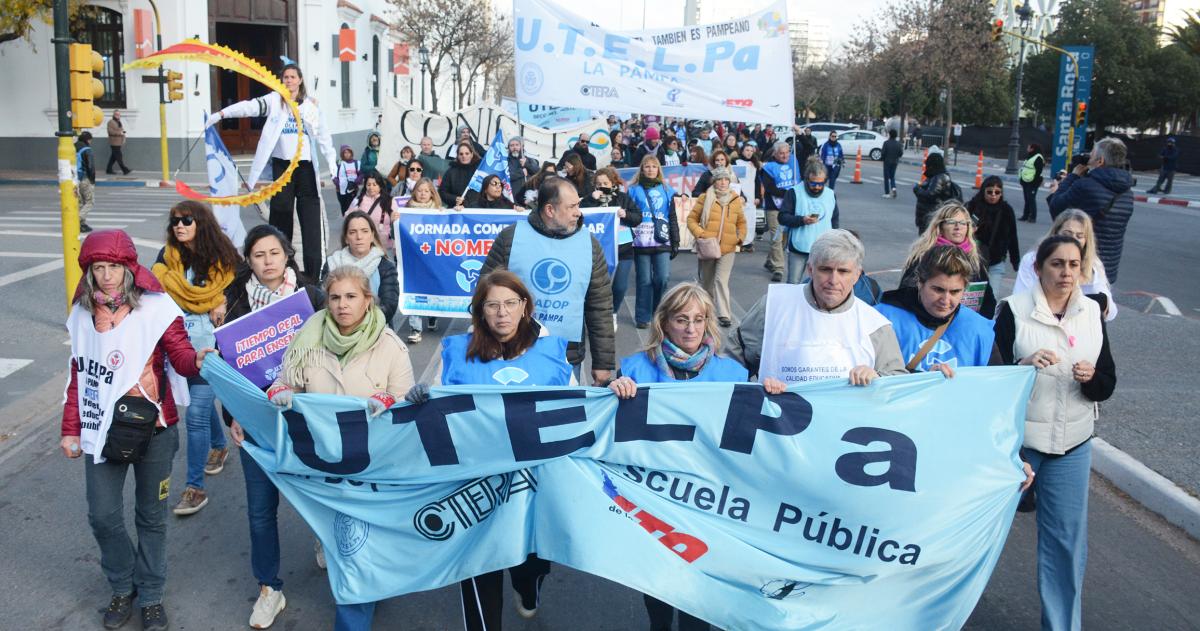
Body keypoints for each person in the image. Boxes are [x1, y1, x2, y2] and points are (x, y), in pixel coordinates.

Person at [63, 229, 211, 631]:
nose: (107, 275)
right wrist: (70, 429)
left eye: (114, 266)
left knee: (152, 517)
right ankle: (122, 583)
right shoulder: (81, 314)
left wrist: (197, 358)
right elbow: (80, 376)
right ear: (89, 271)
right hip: (102, 429)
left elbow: (180, 355)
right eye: (99, 267)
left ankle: (150, 595)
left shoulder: (156, 310)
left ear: (129, 268)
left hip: (154, 431)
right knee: (102, 515)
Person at [406, 270, 572, 630]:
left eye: (510, 303)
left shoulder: (551, 353)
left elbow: (580, 410)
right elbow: (434, 404)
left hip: (533, 489)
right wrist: (419, 399)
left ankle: (529, 587)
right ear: (480, 311)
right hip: (476, 489)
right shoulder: (456, 354)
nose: (502, 313)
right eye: (492, 305)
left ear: (524, 306)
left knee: (530, 565)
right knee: (479, 568)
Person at [266, 265, 414, 631]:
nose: (342, 305)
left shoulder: (390, 345)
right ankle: (365, 591)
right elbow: (287, 382)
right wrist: (283, 393)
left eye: (351, 297)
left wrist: (390, 400)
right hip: (325, 465)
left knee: (359, 552)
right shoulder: (308, 338)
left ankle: (359, 606)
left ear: (368, 300)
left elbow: (408, 401)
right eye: (335, 297)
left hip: (374, 466)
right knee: (350, 550)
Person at [993, 235, 1116, 631]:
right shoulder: (1012, 310)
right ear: (1038, 268)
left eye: (1073, 265)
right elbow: (992, 382)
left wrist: (1092, 378)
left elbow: (1108, 383)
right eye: (1057, 264)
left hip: (1072, 445)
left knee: (1065, 545)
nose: (1066, 273)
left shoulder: (1092, 312)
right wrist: (1024, 364)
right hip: (1018, 446)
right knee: (979, 533)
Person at [608, 282, 748, 631]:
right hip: (654, 493)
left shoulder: (733, 374)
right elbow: (606, 428)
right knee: (658, 576)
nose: (690, 328)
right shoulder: (635, 370)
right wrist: (612, 391)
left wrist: (775, 391)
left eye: (699, 320)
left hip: (708, 494)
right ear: (665, 322)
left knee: (700, 579)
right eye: (681, 319)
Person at [219, 224, 324, 630]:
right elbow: (226, 371)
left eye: (274, 253)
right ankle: (269, 588)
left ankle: (325, 542)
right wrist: (233, 416)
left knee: (316, 498)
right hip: (258, 423)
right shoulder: (233, 304)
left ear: (287, 255)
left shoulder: (311, 297)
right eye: (259, 255)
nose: (267, 261)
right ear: (249, 260)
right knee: (261, 511)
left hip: (308, 418)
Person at [480, 176, 616, 385]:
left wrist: (603, 364)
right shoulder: (510, 239)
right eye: (571, 207)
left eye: (578, 205)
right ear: (550, 210)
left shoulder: (591, 246)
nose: (578, 212)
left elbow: (599, 308)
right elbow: (484, 296)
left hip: (566, 356)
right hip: (512, 353)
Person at [731, 229, 907, 387]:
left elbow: (897, 383)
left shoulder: (875, 325)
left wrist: (877, 377)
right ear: (810, 269)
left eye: (843, 271)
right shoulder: (773, 306)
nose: (833, 280)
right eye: (825, 269)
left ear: (857, 275)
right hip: (777, 420)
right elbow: (733, 359)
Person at [207, 63, 337, 275]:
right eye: (285, 77)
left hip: (305, 168)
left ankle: (315, 274)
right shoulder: (274, 101)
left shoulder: (310, 107)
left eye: (293, 77)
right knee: (280, 218)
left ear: (300, 80)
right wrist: (221, 114)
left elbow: (324, 137)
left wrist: (332, 166)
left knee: (311, 223)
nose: (289, 80)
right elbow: (248, 106)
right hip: (282, 166)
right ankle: (283, 269)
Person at [151, 201, 238, 517]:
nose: (180, 225)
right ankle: (219, 445)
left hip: (212, 348)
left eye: (187, 220)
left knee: (197, 413)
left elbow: (239, 291)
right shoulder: (165, 260)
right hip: (177, 346)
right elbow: (153, 295)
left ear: (201, 223)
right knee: (199, 407)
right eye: (175, 221)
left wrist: (223, 300)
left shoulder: (224, 259)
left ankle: (194, 488)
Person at [876, 245, 998, 374]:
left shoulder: (979, 330)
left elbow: (996, 384)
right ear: (920, 283)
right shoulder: (882, 319)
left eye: (955, 292)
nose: (945, 300)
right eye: (938, 290)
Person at [1046, 138, 1135, 283]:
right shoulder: (1127, 192)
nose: (1088, 158)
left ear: (1100, 161)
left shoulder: (1086, 186)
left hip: (1082, 267)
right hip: (1108, 269)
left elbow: (1056, 209)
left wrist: (1071, 178)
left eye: (1091, 155)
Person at [1012, 209, 1117, 321]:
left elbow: (1110, 313)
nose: (1073, 239)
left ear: (1086, 241)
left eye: (1080, 236)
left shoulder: (1094, 265)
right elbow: (1020, 299)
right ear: (1055, 233)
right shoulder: (1033, 259)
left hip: (1080, 329)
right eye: (1067, 234)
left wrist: (1096, 291)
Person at [900, 201, 997, 319]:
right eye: (951, 222)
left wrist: (980, 325)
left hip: (963, 327)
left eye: (963, 223)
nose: (958, 227)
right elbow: (905, 295)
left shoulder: (974, 258)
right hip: (927, 324)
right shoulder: (924, 256)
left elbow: (987, 299)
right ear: (940, 226)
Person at [583, 167, 642, 327]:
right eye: (599, 183)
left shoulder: (623, 198)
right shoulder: (591, 199)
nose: (602, 185)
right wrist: (590, 200)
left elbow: (637, 218)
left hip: (623, 249)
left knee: (620, 286)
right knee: (596, 287)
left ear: (613, 182)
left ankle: (613, 312)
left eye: (605, 183)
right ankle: (596, 316)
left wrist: (626, 215)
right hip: (598, 251)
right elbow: (580, 216)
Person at [687, 167, 746, 328]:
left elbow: (741, 222)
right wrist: (701, 234)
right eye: (720, 179)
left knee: (721, 280)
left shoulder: (735, 199)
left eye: (726, 179)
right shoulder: (705, 197)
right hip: (708, 246)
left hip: (728, 247)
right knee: (706, 282)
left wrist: (739, 238)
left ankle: (724, 315)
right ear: (714, 181)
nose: (723, 183)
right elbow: (691, 219)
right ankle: (706, 311)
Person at [628, 156, 681, 328]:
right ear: (642, 169)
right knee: (644, 280)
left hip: (661, 239)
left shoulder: (667, 190)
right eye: (647, 166)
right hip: (641, 241)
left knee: (662, 278)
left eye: (654, 166)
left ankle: (659, 313)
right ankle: (643, 317)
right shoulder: (633, 190)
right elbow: (629, 215)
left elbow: (672, 217)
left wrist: (675, 241)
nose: (650, 169)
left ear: (659, 169)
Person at [321, 210, 399, 324]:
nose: (359, 237)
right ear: (346, 238)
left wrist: (358, 325)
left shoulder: (386, 267)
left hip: (375, 330)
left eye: (364, 231)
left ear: (372, 236)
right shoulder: (331, 263)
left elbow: (388, 306)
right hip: (336, 330)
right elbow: (323, 301)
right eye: (353, 232)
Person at [398, 178, 444, 342]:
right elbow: (396, 233)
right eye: (420, 190)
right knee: (414, 288)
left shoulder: (440, 211)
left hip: (432, 258)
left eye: (426, 191)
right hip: (414, 258)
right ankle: (415, 327)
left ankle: (431, 314)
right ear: (414, 192)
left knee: (431, 288)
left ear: (432, 193)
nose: (423, 194)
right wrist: (395, 219)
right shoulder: (405, 212)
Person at [778, 157, 835, 285]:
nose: (817, 187)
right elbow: (782, 217)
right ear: (806, 179)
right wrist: (802, 220)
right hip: (799, 246)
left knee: (821, 284)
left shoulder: (830, 194)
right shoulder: (794, 192)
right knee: (793, 283)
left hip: (823, 248)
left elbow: (834, 220)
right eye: (813, 183)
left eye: (821, 183)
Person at [760, 141, 801, 282]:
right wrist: (788, 193)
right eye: (781, 153)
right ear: (775, 154)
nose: (785, 156)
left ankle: (770, 260)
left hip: (789, 208)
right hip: (774, 207)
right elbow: (770, 188)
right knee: (776, 237)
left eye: (787, 152)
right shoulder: (768, 168)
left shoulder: (793, 164)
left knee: (783, 239)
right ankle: (779, 268)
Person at [968, 176, 1021, 283]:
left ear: (1001, 193)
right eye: (989, 192)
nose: (993, 195)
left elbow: (1012, 236)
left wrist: (1015, 261)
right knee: (973, 298)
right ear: (983, 191)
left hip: (996, 262)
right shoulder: (973, 206)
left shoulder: (1006, 210)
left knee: (993, 297)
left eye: (997, 192)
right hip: (974, 260)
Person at [912, 151, 962, 233]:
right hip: (928, 217)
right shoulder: (934, 176)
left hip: (933, 217)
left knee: (929, 242)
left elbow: (930, 195)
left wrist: (917, 189)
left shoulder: (940, 177)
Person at [438, 141, 482, 209]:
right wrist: (454, 199)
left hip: (476, 210)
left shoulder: (479, 171)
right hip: (456, 209)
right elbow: (442, 192)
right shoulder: (451, 172)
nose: (464, 156)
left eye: (467, 153)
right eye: (461, 154)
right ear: (457, 156)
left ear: (472, 154)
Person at [1017, 143, 1046, 222]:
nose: (1027, 148)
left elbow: (1039, 171)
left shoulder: (1038, 158)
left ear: (1032, 149)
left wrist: (1035, 182)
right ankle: (1025, 216)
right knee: (1027, 199)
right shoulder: (1030, 156)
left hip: (1032, 182)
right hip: (1026, 180)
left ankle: (1033, 217)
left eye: (1028, 147)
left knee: (1031, 199)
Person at [75, 130, 96, 233]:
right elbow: (91, 167)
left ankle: (81, 224)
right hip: (84, 178)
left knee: (80, 202)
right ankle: (76, 220)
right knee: (89, 201)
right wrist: (92, 181)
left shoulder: (72, 147)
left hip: (74, 179)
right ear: (88, 140)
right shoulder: (87, 150)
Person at [334, 145, 361, 213]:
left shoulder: (356, 163)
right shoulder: (339, 163)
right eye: (345, 152)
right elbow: (333, 175)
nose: (347, 154)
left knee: (353, 207)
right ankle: (346, 221)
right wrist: (339, 184)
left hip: (352, 189)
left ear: (351, 153)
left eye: (348, 152)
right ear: (342, 154)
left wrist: (356, 181)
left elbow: (361, 174)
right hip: (340, 190)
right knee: (344, 208)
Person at [105, 109, 131, 175]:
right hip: (114, 142)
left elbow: (122, 131)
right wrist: (120, 133)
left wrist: (124, 138)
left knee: (113, 157)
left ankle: (108, 169)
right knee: (119, 157)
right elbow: (110, 132)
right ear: (113, 115)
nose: (118, 115)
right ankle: (125, 170)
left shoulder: (119, 122)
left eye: (119, 114)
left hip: (119, 142)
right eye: (116, 114)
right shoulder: (111, 122)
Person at [881, 129, 903, 199]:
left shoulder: (886, 143)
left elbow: (883, 153)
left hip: (887, 162)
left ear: (889, 134)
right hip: (895, 162)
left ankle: (887, 193)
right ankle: (893, 188)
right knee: (892, 176)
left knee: (886, 177)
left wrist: (883, 158)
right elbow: (901, 153)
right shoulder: (898, 144)